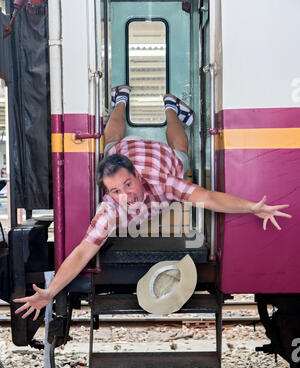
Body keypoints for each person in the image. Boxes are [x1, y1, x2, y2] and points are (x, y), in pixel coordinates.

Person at [14, 85, 292, 320]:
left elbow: (207, 197)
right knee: (111, 143)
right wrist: (51, 291)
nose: (126, 196)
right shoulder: (109, 210)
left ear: (137, 175)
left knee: (181, 152)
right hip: (125, 150)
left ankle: (165, 107)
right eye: (115, 191)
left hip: (161, 155)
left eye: (128, 185)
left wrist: (252, 206)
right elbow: (82, 252)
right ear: (107, 193)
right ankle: (132, 100)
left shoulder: (163, 181)